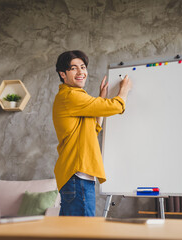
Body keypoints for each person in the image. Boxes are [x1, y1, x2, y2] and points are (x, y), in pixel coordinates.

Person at [52, 50, 132, 216]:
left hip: (77, 178)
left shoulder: (74, 98)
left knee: (73, 231)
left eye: (83, 67)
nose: (81, 72)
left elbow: (93, 130)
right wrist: (124, 91)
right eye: (74, 68)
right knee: (83, 231)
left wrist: (100, 99)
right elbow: (115, 106)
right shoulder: (70, 96)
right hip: (77, 177)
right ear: (63, 74)